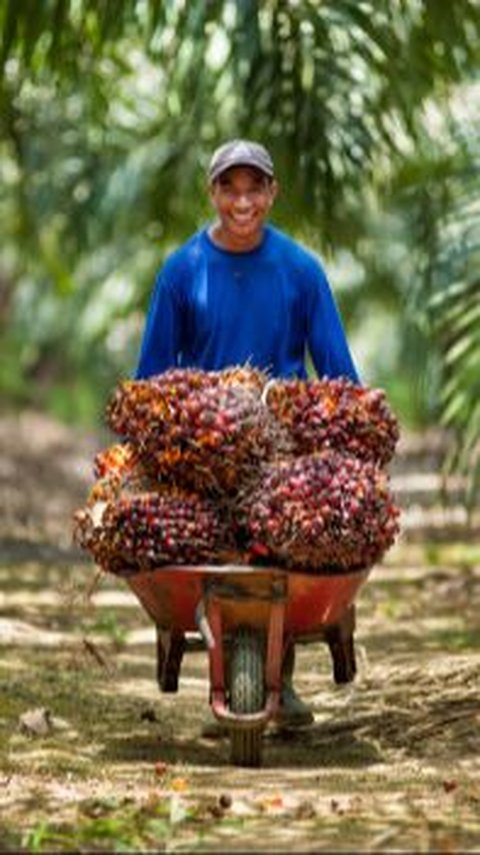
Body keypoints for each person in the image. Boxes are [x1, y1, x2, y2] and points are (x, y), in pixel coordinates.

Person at [135, 139, 360, 732]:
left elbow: (337, 374)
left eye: (253, 188)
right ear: (212, 193)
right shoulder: (182, 272)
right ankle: (235, 655)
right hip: (202, 449)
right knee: (206, 546)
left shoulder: (301, 272)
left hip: (281, 449)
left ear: (271, 193)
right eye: (229, 188)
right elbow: (151, 380)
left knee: (292, 537)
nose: (242, 201)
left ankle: (276, 674)